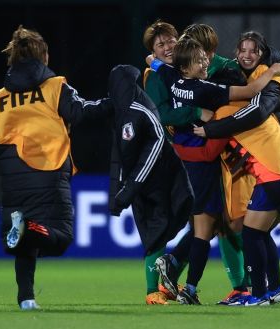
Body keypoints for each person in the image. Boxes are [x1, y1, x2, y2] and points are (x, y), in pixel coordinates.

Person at [0, 25, 114, 310]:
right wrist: (117, 103)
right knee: (60, 238)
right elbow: (82, 112)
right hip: (49, 173)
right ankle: (26, 229)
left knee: (23, 243)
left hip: (13, 178)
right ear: (44, 57)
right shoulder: (55, 87)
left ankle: (26, 298)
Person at [182, 30, 280, 306]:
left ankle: (255, 291)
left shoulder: (272, 76)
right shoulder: (247, 78)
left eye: (253, 51)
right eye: (241, 50)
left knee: (247, 225)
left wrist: (210, 128)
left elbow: (257, 111)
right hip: (275, 156)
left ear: (262, 53)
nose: (246, 55)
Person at [150, 37, 280, 304]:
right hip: (203, 163)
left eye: (205, 57)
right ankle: (191, 285)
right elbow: (250, 91)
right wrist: (272, 71)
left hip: (184, 162)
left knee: (207, 227)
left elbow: (154, 63)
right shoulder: (205, 89)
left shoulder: (171, 78)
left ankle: (183, 276)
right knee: (208, 229)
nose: (205, 62)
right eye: (199, 60)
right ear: (187, 67)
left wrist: (157, 60)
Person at [107, 64, 194, 306]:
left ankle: (165, 280)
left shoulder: (140, 109)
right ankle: (152, 290)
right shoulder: (125, 108)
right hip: (149, 182)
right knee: (159, 230)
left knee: (180, 224)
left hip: (161, 177)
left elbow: (155, 145)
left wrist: (128, 187)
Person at [140, 20, 198, 305]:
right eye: (159, 45)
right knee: (162, 222)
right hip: (165, 159)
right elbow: (161, 116)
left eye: (170, 41)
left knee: (207, 222)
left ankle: (239, 286)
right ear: (153, 51)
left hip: (194, 155)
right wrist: (198, 110)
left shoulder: (189, 70)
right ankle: (153, 290)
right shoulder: (154, 77)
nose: (167, 47)